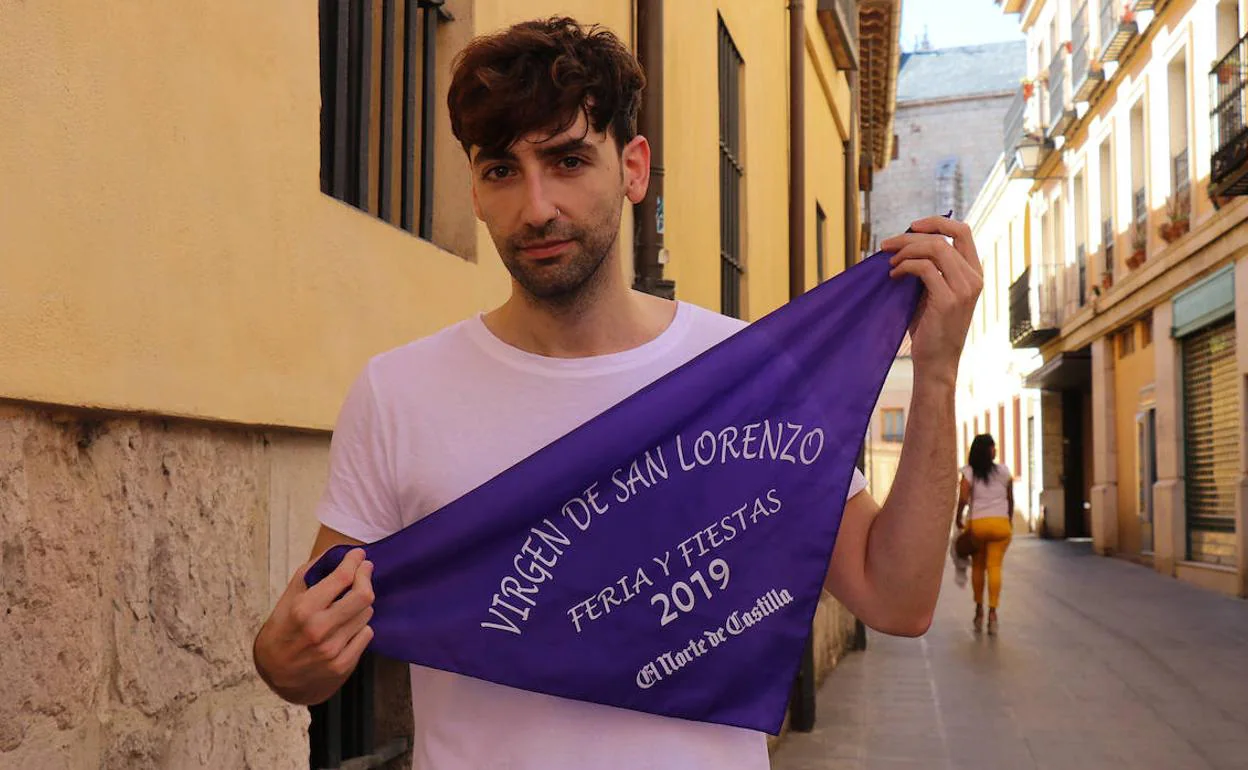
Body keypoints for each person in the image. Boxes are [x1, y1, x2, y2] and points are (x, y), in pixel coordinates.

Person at [252, 17, 982, 769]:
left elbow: (897, 599)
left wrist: (935, 375)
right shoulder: (398, 394)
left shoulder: (743, 376)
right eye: (502, 170)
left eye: (568, 160)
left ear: (634, 169)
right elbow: (303, 659)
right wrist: (284, 656)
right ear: (473, 189)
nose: (535, 207)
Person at [955, 434, 1014, 635]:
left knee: (979, 567)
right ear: (988, 451)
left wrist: (958, 518)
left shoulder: (969, 472)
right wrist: (1009, 520)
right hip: (1001, 525)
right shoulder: (1004, 471)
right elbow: (1010, 499)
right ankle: (993, 614)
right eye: (993, 447)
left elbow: (963, 498)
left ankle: (979, 612)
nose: (995, 450)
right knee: (995, 566)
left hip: (978, 526)